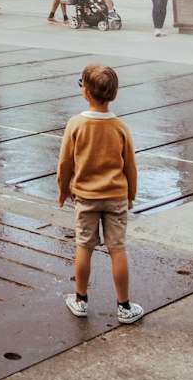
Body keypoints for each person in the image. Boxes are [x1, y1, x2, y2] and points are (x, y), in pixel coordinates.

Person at [57, 62, 143, 324]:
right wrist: (131, 194)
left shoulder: (76, 124)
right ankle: (124, 306)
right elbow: (130, 165)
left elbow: (65, 164)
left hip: (85, 197)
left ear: (85, 93)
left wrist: (63, 190)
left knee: (84, 246)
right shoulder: (120, 127)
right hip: (116, 196)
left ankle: (81, 300)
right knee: (117, 249)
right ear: (114, 94)